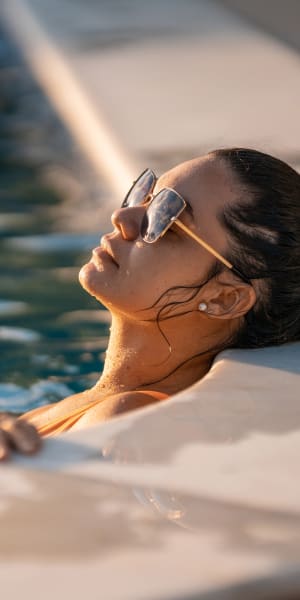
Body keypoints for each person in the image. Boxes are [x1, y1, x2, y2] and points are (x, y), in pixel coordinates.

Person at [1, 147, 300, 459]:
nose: (122, 218)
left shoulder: (125, 417)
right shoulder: (95, 403)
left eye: (165, 218)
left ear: (224, 298)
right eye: (146, 195)